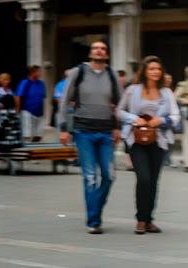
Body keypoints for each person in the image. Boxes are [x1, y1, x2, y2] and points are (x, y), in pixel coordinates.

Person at [58, 41, 121, 235]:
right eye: (96, 48)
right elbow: (65, 100)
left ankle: (95, 211)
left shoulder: (112, 75)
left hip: (105, 132)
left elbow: (120, 103)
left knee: (109, 176)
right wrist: (64, 128)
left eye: (103, 48)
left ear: (107, 54)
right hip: (83, 131)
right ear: (90, 53)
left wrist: (117, 127)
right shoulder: (79, 72)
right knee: (90, 177)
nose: (99, 51)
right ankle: (94, 221)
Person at [117, 55, 180, 235]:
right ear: (144, 71)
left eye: (158, 69)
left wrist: (160, 120)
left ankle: (149, 219)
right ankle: (140, 219)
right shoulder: (132, 90)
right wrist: (134, 119)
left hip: (158, 140)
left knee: (153, 181)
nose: (155, 72)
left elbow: (176, 117)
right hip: (136, 140)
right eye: (152, 69)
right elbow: (119, 111)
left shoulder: (167, 93)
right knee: (143, 178)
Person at [16, 65, 46, 142]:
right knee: (27, 135)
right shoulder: (25, 82)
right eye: (38, 72)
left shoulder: (41, 83)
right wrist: (18, 109)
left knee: (38, 136)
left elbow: (43, 97)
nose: (40, 73)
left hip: (39, 112)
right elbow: (18, 96)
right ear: (32, 72)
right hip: (27, 111)